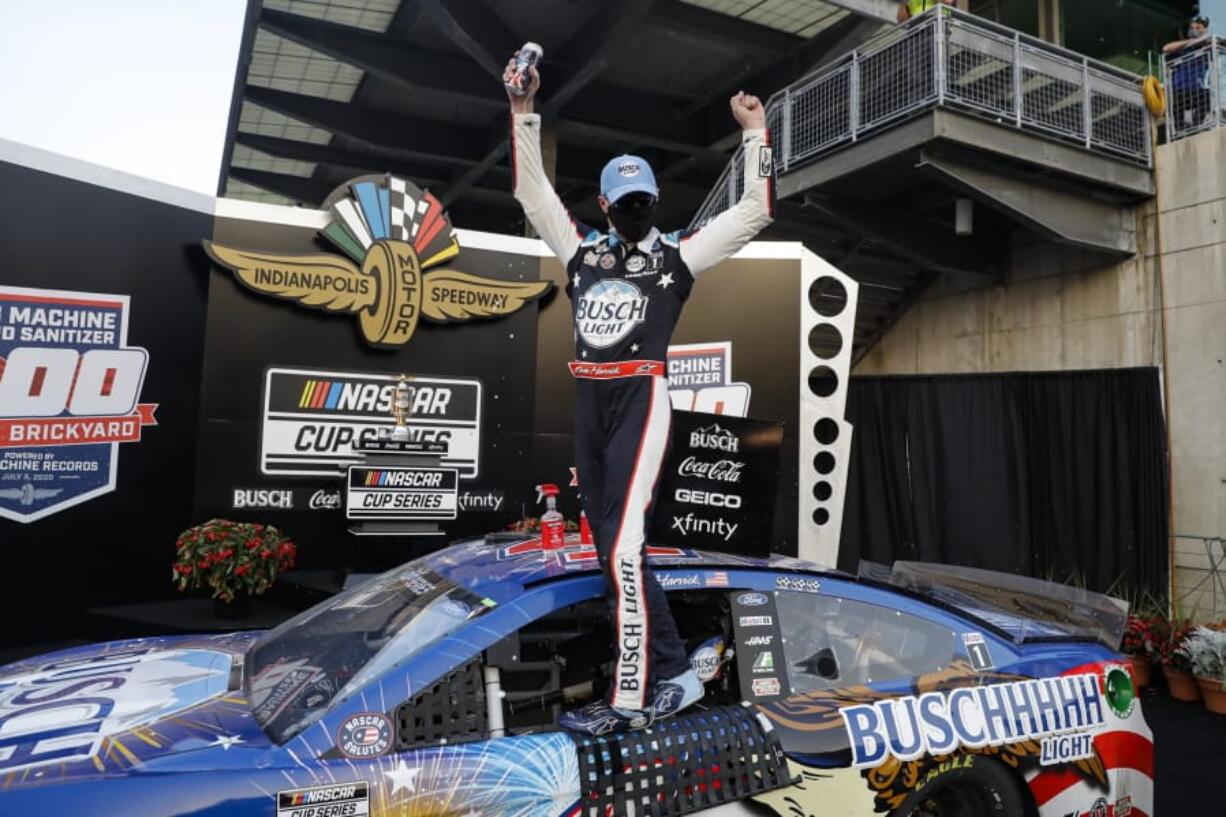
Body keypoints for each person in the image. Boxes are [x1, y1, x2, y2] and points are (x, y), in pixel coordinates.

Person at [504, 52, 774, 736]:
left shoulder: (676, 255)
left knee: (624, 551)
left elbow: (754, 211)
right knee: (609, 552)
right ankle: (678, 672)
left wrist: (756, 135)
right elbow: (533, 195)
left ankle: (629, 700)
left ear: (655, 200)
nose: (634, 210)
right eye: (623, 202)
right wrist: (522, 113)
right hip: (590, 404)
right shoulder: (582, 253)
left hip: (642, 401)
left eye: (644, 201)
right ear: (604, 204)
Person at [1163, 15, 1212, 132]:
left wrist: (1203, 40)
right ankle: (1179, 131)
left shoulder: (1207, 47)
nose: (1194, 30)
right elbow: (1166, 48)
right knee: (1175, 101)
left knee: (1206, 95)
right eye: (1192, 27)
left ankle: (1196, 127)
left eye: (1198, 27)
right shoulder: (1184, 47)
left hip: (1195, 90)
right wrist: (1190, 42)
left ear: (1204, 30)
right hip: (1179, 89)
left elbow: (1217, 44)